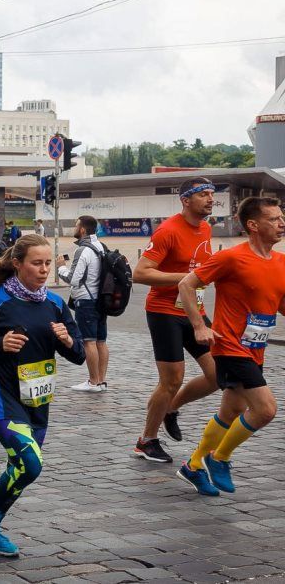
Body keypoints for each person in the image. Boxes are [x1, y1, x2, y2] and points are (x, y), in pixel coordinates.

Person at [0, 234, 84, 556]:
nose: (44, 270)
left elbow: (80, 354)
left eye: (47, 263)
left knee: (22, 467)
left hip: (38, 398)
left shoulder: (54, 303)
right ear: (17, 264)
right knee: (31, 462)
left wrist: (67, 340)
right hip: (0, 396)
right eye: (36, 263)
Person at [176, 197, 285, 497]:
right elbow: (187, 284)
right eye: (274, 219)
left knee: (232, 410)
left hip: (255, 347)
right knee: (265, 410)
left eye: (281, 218)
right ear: (253, 225)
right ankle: (219, 457)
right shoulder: (232, 258)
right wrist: (199, 326)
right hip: (229, 346)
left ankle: (194, 465)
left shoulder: (281, 262)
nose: (282, 223)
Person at [132, 177, 218, 464]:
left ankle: (171, 408)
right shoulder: (167, 230)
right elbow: (141, 273)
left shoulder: (205, 227)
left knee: (219, 374)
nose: (209, 199)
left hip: (195, 310)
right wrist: (185, 279)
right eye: (203, 194)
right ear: (185, 200)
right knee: (171, 380)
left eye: (211, 194)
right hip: (164, 312)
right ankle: (146, 440)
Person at [57, 215, 110, 393]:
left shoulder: (83, 250)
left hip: (86, 301)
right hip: (101, 300)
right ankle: (101, 380)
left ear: (82, 229)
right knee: (101, 341)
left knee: (89, 342)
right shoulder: (101, 246)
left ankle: (93, 382)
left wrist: (60, 267)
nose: (74, 227)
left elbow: (74, 279)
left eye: (75, 224)